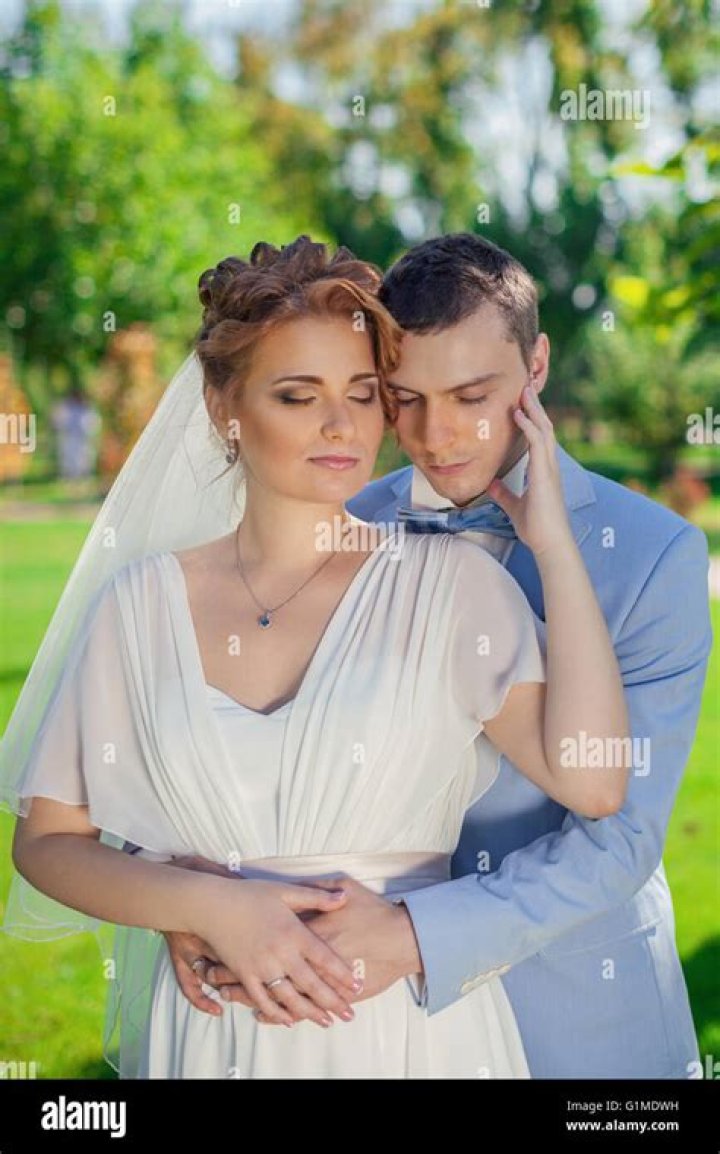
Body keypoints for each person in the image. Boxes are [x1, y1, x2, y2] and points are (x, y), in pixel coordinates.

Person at [1, 236, 629, 1080]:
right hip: (214, 1033)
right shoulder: (139, 606)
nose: (341, 424)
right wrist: (204, 904)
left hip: (406, 1035)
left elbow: (594, 783)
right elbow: (47, 843)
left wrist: (550, 544)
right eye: (298, 396)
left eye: (364, 394)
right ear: (225, 408)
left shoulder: (451, 590)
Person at [166, 234, 711, 1080]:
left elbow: (621, 839)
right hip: (360, 1023)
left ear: (536, 367)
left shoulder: (652, 556)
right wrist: (193, 898)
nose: (436, 434)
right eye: (405, 398)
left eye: (471, 394)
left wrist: (415, 934)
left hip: (582, 1023)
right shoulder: (336, 519)